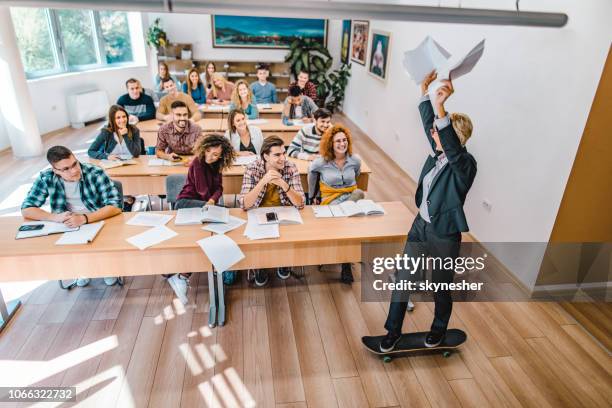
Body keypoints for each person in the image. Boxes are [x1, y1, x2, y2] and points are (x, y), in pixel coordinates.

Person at [379, 71, 477, 352]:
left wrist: (441, 107)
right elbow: (428, 124)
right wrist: (424, 92)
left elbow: (450, 146)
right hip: (420, 227)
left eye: (439, 130)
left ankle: (439, 330)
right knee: (403, 279)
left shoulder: (465, 165)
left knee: (441, 287)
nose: (433, 131)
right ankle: (393, 332)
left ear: (453, 139)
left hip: (444, 235)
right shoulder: (438, 154)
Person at [21, 146, 122, 287]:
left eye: (74, 164)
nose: (74, 170)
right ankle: (83, 269)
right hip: (66, 224)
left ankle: (106, 268)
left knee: (96, 242)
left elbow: (115, 206)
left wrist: (84, 218)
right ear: (55, 170)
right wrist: (55, 218)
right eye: (66, 169)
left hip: (97, 218)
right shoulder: (46, 178)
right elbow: (27, 209)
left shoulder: (95, 172)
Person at [166, 134, 236, 303]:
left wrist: (212, 201)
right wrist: (211, 202)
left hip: (205, 205)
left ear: (221, 156)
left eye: (216, 155)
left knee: (219, 226)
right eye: (210, 152)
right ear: (204, 148)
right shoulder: (197, 162)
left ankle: (217, 266)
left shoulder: (217, 164)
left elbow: (219, 188)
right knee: (225, 214)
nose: (211, 157)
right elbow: (203, 189)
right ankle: (186, 275)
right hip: (185, 204)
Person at [238, 136, 305, 286]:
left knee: (288, 234)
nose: (282, 158)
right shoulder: (252, 168)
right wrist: (263, 181)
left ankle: (284, 262)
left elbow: (300, 203)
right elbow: (244, 204)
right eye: (277, 155)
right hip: (259, 212)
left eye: (283, 153)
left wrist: (283, 184)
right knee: (259, 238)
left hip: (285, 212)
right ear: (265, 156)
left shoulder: (290, 167)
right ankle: (260, 267)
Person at [308, 124, 364, 284]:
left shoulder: (355, 161)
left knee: (354, 203)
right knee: (346, 217)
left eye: (344, 140)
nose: (342, 144)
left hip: (350, 196)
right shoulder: (321, 162)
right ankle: (346, 262)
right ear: (331, 144)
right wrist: (313, 196)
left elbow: (357, 176)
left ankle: (346, 260)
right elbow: (312, 174)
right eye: (338, 141)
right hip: (330, 200)